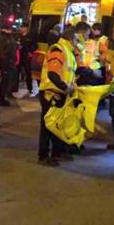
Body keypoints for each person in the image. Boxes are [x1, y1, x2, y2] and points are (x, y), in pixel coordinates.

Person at [38, 25, 77, 165]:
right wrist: (65, 87)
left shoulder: (67, 51)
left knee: (56, 124)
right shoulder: (58, 49)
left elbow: (67, 73)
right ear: (71, 39)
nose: (78, 44)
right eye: (77, 40)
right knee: (48, 126)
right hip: (51, 93)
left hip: (58, 93)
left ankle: (56, 153)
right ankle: (43, 156)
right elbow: (53, 74)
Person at [0, 23, 17, 106]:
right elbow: (1, 52)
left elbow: (12, 48)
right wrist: (3, 63)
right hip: (5, 63)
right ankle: (1, 98)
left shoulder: (10, 37)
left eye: (10, 29)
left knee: (9, 80)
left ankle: (4, 95)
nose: (9, 30)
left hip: (10, 62)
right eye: (7, 29)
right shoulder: (1, 38)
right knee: (4, 81)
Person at [15, 23, 35, 94]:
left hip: (26, 57)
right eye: (21, 27)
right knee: (16, 73)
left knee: (28, 73)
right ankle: (15, 88)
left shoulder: (30, 36)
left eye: (22, 27)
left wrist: (31, 52)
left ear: (26, 28)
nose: (21, 29)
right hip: (19, 56)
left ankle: (30, 88)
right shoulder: (18, 36)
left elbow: (35, 46)